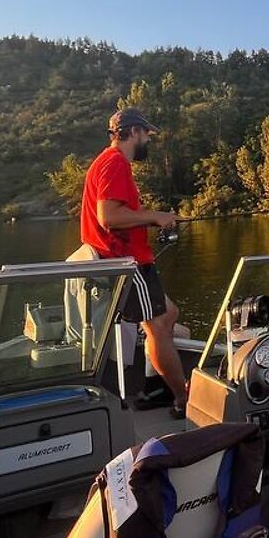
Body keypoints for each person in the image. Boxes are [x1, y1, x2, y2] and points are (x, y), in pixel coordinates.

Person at [80, 108, 189, 414]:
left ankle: (157, 388)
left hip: (128, 261)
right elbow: (110, 217)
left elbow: (117, 215)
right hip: (127, 264)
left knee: (169, 315)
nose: (148, 141)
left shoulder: (108, 162)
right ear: (133, 132)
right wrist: (156, 216)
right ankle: (182, 398)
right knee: (156, 326)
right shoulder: (115, 163)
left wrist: (153, 220)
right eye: (146, 135)